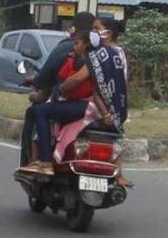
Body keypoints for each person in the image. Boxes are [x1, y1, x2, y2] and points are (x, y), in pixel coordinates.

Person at [21, 29, 114, 175]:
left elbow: (75, 80)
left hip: (86, 106)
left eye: (77, 43)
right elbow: (60, 79)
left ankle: (45, 161)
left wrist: (61, 89)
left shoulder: (91, 61)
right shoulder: (79, 59)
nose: (74, 46)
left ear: (86, 45)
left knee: (40, 111)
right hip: (85, 106)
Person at [19, 11, 95, 165]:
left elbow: (48, 76)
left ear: (75, 29)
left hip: (75, 103)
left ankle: (40, 160)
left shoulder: (68, 48)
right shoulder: (101, 52)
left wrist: (49, 86)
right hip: (97, 107)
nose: (75, 46)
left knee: (37, 111)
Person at [95, 17, 133, 188]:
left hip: (109, 101)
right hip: (93, 100)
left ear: (108, 33)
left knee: (117, 136)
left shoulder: (117, 52)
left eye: (97, 28)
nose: (93, 32)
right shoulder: (93, 50)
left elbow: (121, 81)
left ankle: (118, 173)